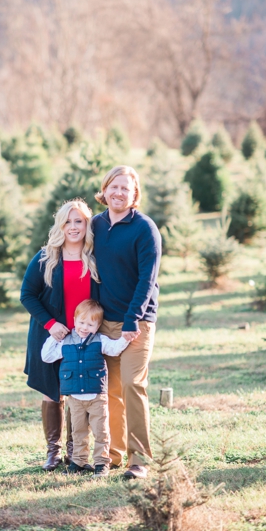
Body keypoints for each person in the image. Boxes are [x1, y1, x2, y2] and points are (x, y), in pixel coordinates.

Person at [91, 166, 161, 480]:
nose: (119, 193)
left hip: (137, 322)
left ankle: (140, 460)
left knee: (133, 385)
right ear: (104, 190)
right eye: (114, 187)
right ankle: (113, 455)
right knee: (111, 390)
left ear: (134, 195)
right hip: (104, 322)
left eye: (126, 189)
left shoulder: (145, 228)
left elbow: (148, 279)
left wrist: (133, 319)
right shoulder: (96, 225)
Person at [20, 199, 100, 472]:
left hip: (84, 338)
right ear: (60, 225)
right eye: (68, 221)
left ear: (87, 224)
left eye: (79, 221)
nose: (73, 227)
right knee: (52, 394)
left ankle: (74, 452)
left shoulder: (94, 257)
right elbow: (27, 295)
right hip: (51, 334)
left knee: (78, 393)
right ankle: (52, 452)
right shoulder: (46, 257)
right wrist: (51, 323)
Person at [41, 299, 132, 476]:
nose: (84, 327)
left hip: (97, 396)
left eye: (90, 324)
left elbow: (114, 350)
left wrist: (125, 338)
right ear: (74, 321)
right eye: (81, 322)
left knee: (101, 432)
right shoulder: (65, 341)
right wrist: (53, 336)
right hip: (75, 398)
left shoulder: (101, 340)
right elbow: (47, 356)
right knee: (78, 432)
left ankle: (101, 463)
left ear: (98, 325)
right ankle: (79, 462)